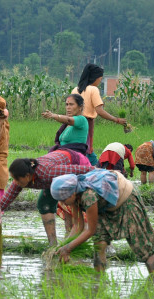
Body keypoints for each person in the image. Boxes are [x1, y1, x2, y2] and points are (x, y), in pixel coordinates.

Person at [50, 170, 154, 276]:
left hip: (126, 200)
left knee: (140, 244)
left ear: (72, 193)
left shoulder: (88, 196)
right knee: (99, 242)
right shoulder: (74, 197)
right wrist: (63, 246)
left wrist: (68, 249)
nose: (61, 203)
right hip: (104, 205)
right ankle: (99, 280)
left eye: (63, 200)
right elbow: (78, 226)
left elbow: (90, 230)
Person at [0, 151, 94, 246]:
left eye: (16, 179)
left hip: (74, 164)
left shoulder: (47, 172)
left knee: (73, 206)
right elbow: (6, 200)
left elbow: (76, 169)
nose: (15, 182)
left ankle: (73, 244)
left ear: (27, 176)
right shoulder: (21, 180)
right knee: (44, 204)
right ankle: (52, 245)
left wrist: (97, 170)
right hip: (53, 180)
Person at [42, 93, 91, 228]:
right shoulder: (67, 125)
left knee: (74, 198)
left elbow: (69, 120)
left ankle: (81, 232)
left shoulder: (81, 120)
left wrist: (53, 116)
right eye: (66, 105)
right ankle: (69, 234)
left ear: (80, 107)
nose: (68, 107)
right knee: (65, 201)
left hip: (75, 162)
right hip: (64, 162)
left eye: (71, 104)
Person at [71, 63, 127, 165]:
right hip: (86, 123)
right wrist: (116, 120)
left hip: (74, 123)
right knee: (88, 150)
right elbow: (100, 111)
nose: (100, 81)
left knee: (78, 149)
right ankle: (96, 171)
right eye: (100, 79)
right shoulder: (93, 89)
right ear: (95, 78)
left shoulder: (75, 89)